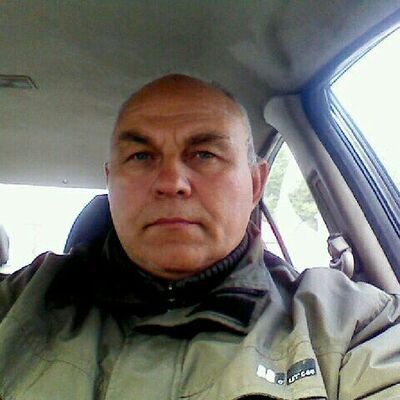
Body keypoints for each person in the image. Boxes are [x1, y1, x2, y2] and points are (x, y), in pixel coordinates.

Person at [0, 74, 399, 400]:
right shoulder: (20, 302)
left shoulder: (349, 325)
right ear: (110, 182)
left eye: (205, 154)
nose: (171, 182)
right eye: (141, 156)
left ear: (255, 184)